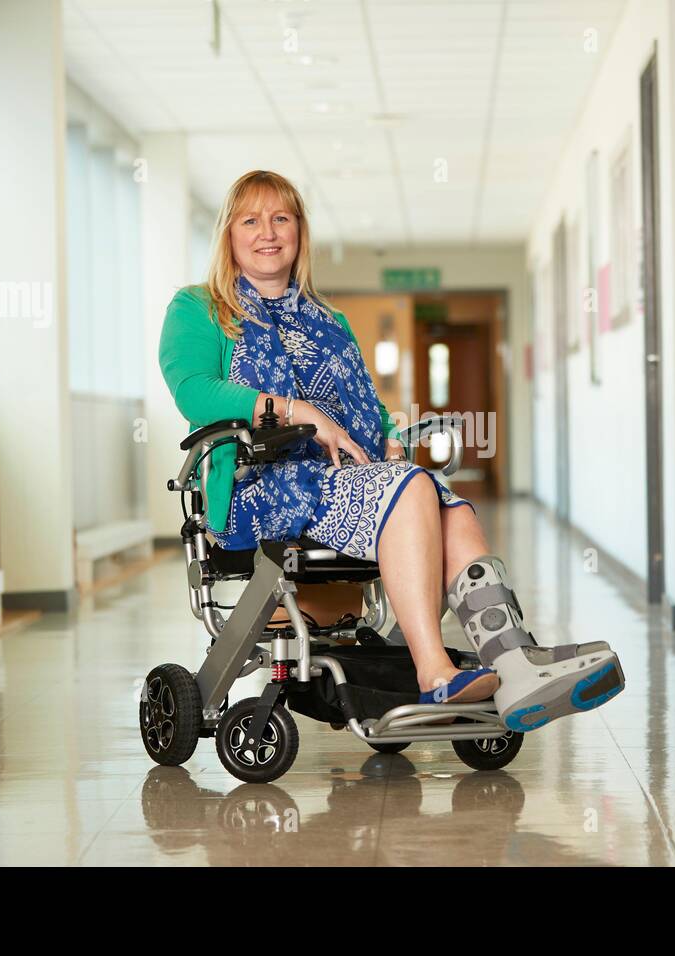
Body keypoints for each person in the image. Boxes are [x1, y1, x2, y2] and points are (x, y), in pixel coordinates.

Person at [158, 170, 499, 705]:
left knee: (452, 509)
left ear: (299, 232)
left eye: (281, 219)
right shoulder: (198, 308)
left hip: (343, 478)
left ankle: (512, 658)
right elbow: (195, 392)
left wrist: (387, 438)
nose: (267, 232)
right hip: (262, 484)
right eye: (251, 220)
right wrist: (298, 412)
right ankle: (433, 671)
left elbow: (365, 405)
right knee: (413, 489)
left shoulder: (330, 321)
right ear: (229, 234)